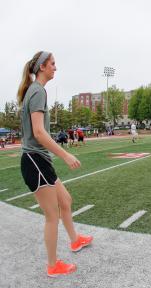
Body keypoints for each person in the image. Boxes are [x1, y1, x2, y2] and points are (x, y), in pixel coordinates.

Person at [17, 51, 93, 277]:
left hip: (39, 161)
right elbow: (39, 132)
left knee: (65, 201)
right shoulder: (38, 91)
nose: (55, 67)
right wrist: (65, 155)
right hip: (34, 161)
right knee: (52, 215)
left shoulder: (36, 90)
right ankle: (52, 266)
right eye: (52, 64)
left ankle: (75, 240)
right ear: (42, 67)